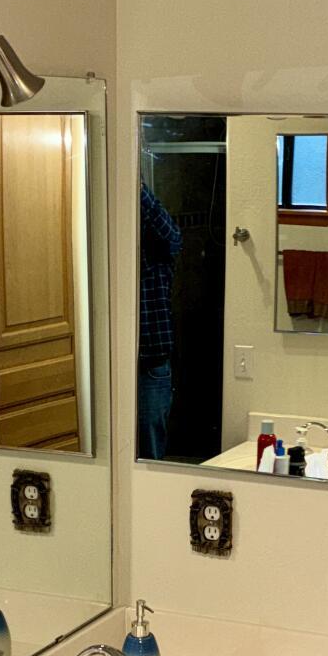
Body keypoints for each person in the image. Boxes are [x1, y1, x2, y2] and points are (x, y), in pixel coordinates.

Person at [138, 182, 182, 459]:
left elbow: (173, 238)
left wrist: (137, 188)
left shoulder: (158, 253)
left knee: (149, 444)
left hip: (151, 361)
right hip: (111, 364)